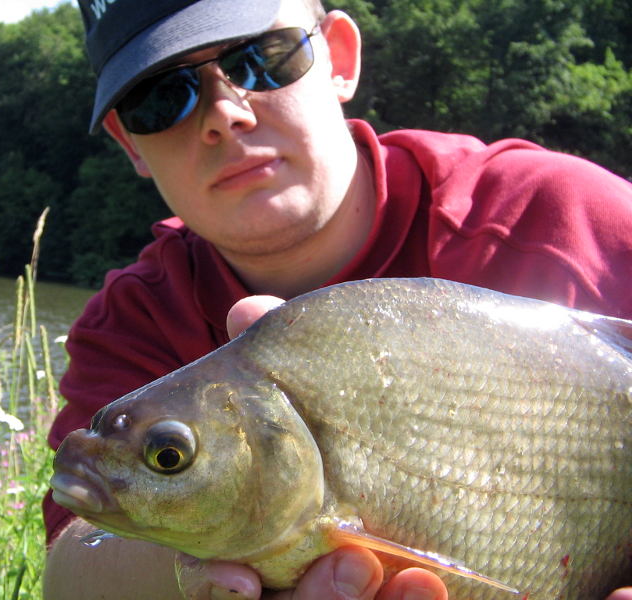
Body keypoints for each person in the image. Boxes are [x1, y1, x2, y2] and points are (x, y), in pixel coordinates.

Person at [42, 0, 632, 598]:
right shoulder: (133, 319)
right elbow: (70, 571)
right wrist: (218, 564)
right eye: (159, 98)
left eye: (261, 59)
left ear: (340, 58)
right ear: (129, 142)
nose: (223, 114)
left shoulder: (573, 221)